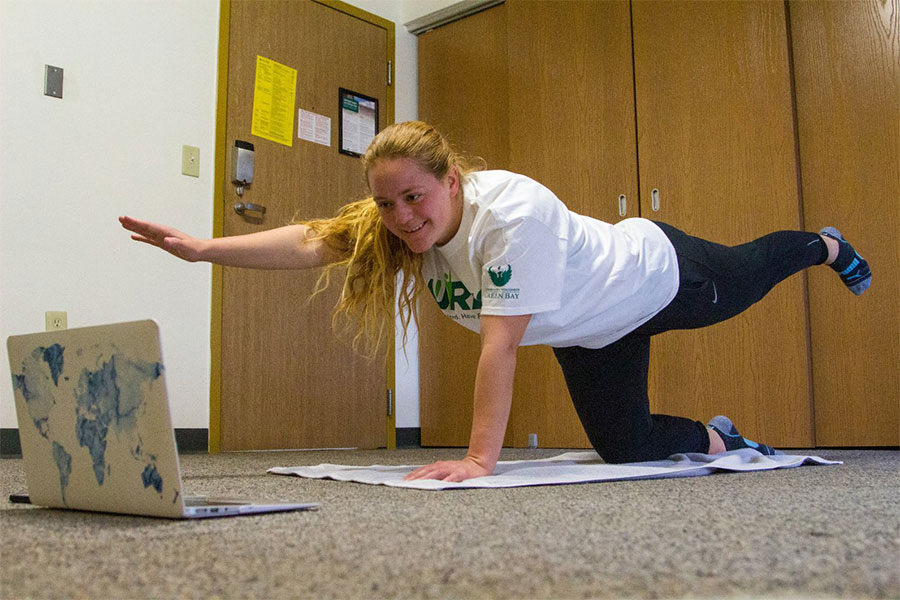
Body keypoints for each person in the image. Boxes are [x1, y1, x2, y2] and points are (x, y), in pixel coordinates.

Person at [120, 120, 872, 483]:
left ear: (450, 182)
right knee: (627, 443)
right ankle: (723, 440)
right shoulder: (394, 221)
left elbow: (500, 346)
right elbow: (316, 239)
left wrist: (482, 459)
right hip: (588, 327)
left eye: (413, 197)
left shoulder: (511, 215)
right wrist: (202, 249)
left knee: (745, 275)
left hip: (651, 275)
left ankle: (823, 247)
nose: (401, 218)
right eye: (385, 204)